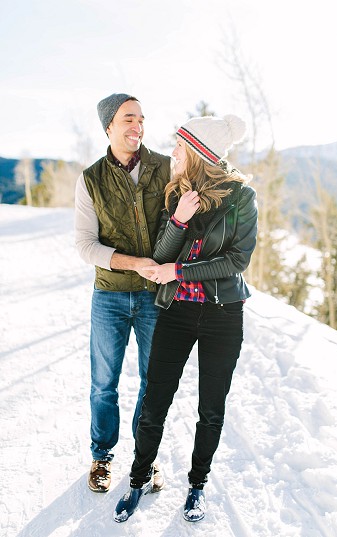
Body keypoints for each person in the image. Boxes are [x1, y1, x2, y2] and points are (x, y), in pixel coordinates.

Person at [113, 114, 258, 523]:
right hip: (176, 312)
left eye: (180, 145)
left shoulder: (242, 198)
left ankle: (197, 487)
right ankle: (137, 481)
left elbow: (237, 260)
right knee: (154, 402)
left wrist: (180, 271)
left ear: (198, 154)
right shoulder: (174, 192)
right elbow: (160, 255)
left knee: (211, 408)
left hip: (223, 315)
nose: (172, 151)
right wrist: (178, 218)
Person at [75, 93, 170, 494]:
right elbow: (85, 245)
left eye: (142, 119)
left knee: (154, 383)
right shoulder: (91, 179)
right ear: (109, 126)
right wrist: (133, 263)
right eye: (129, 119)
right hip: (110, 296)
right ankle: (102, 457)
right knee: (104, 383)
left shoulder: (165, 168)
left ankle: (145, 460)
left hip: (154, 296)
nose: (138, 126)